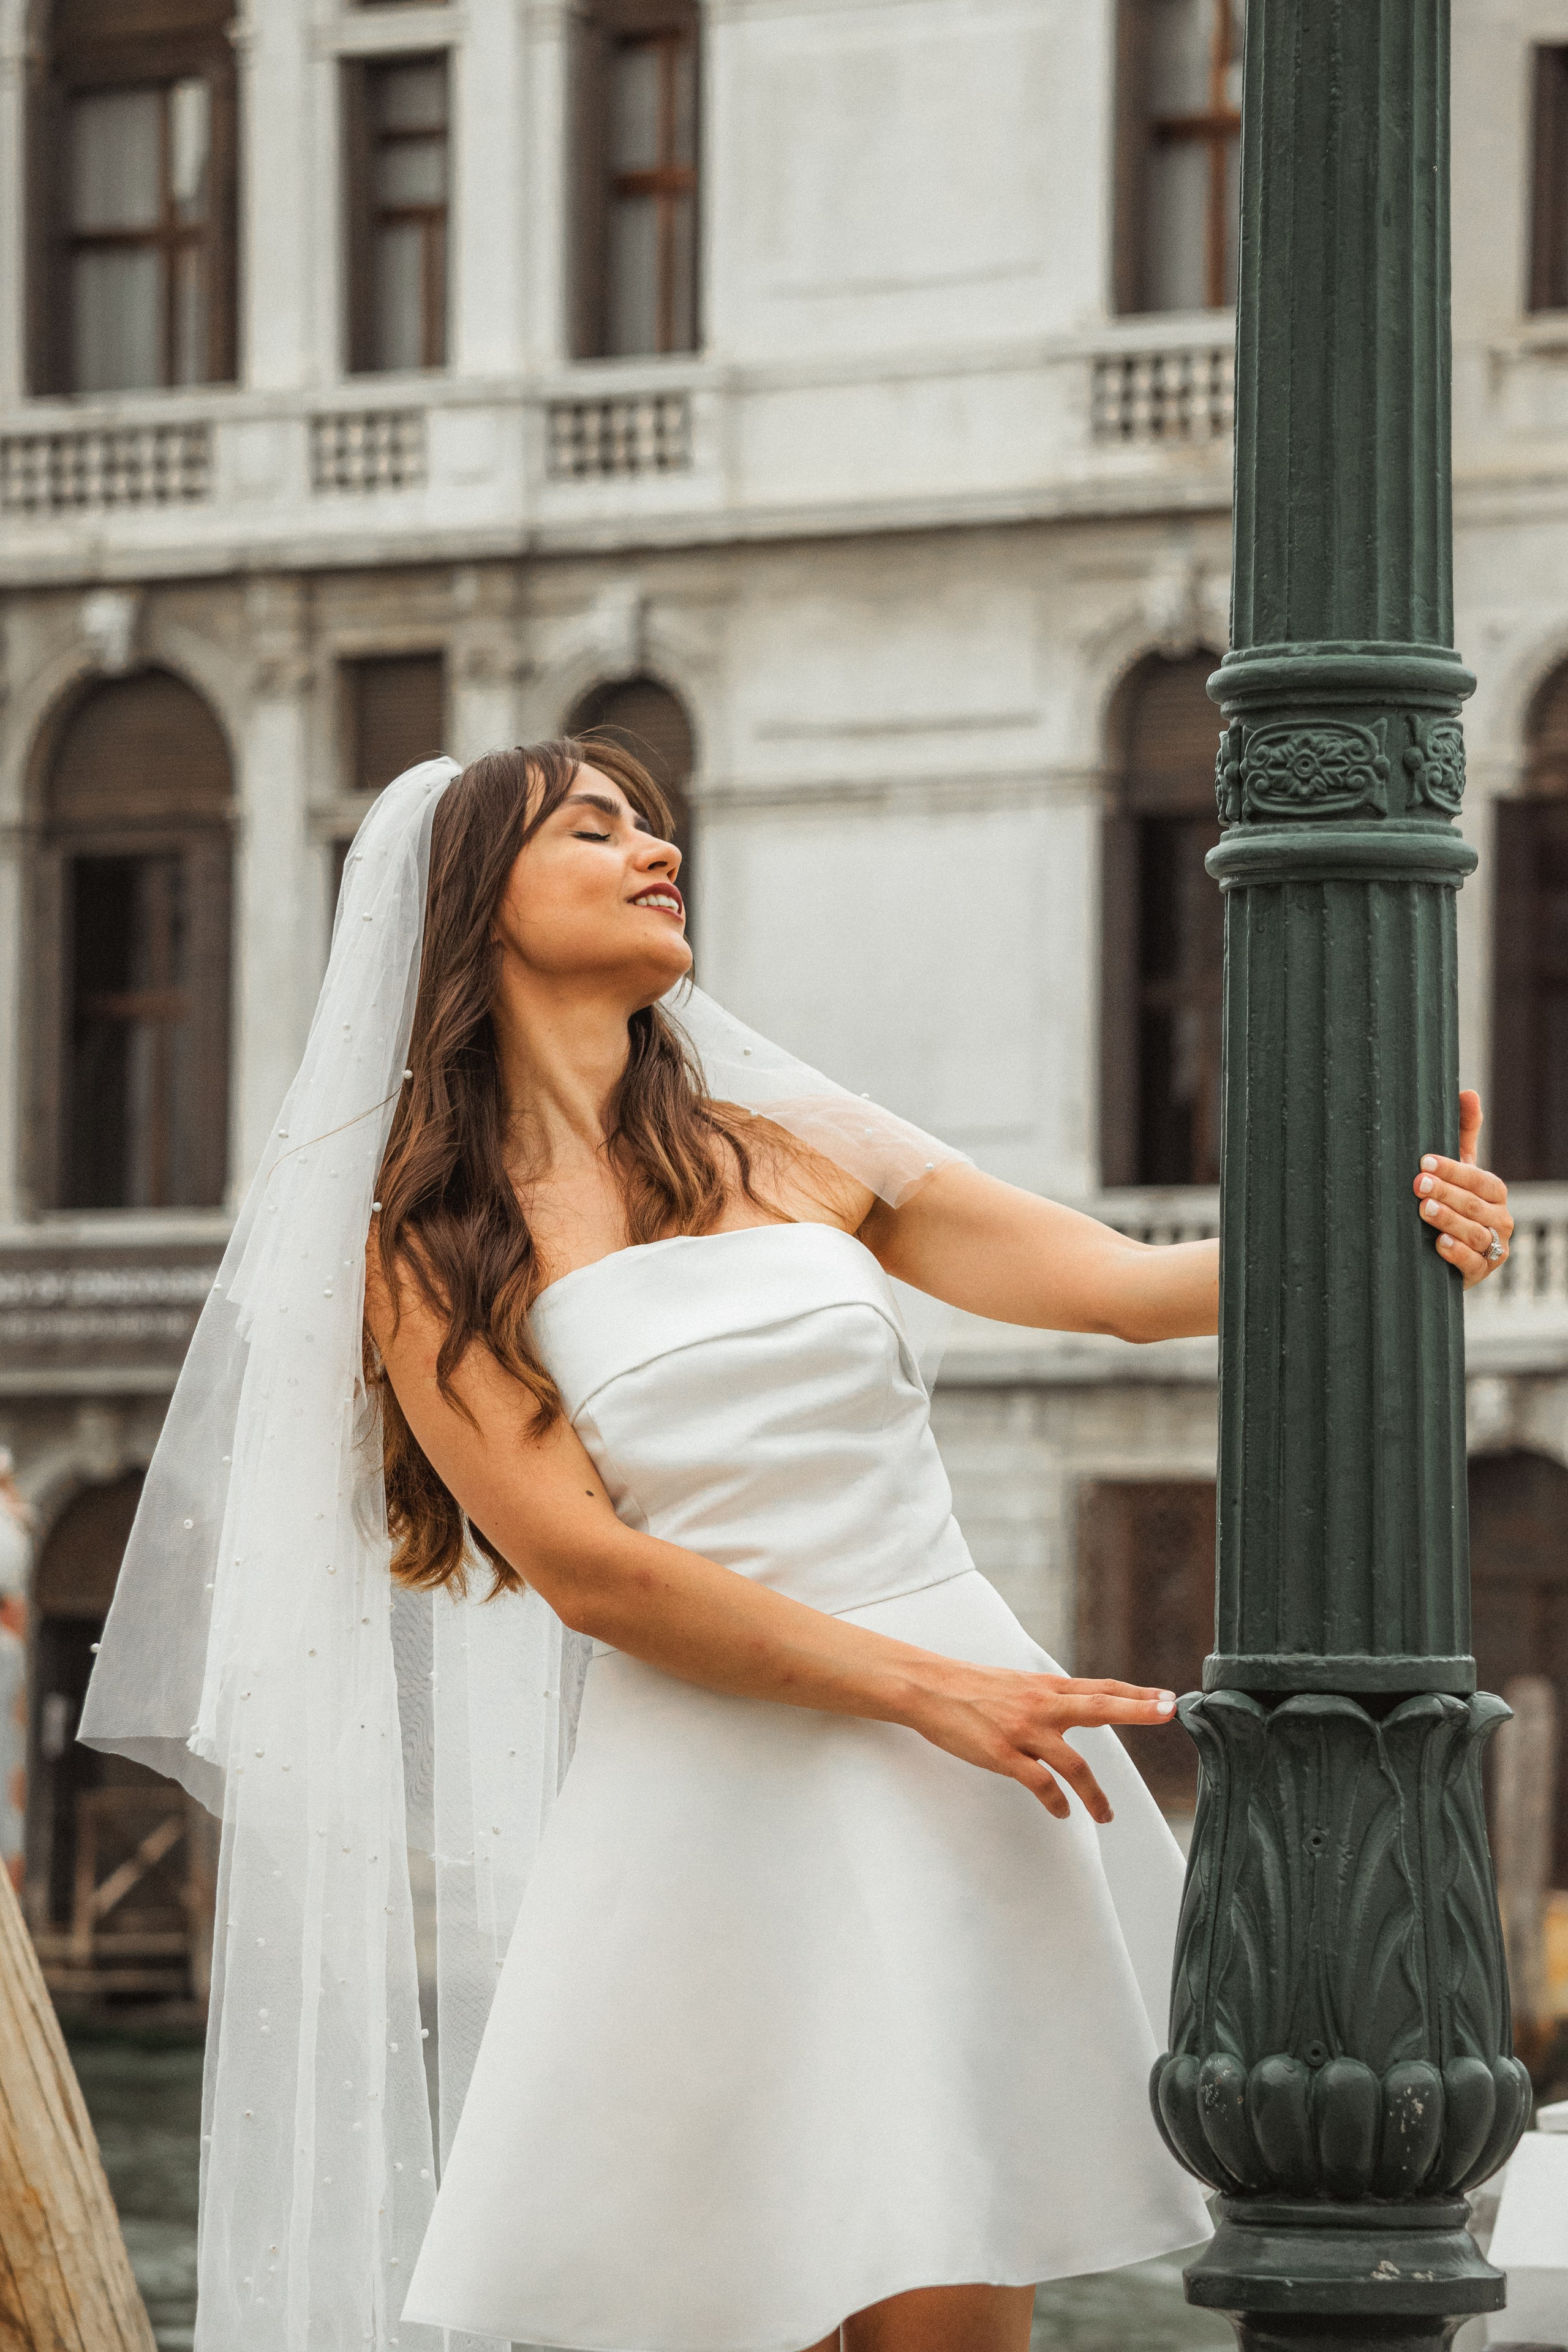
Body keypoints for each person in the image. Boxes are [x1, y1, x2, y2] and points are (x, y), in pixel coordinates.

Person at [79, 743, 1514, 2352]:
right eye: (596, 827)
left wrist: (1391, 1222)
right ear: (477, 904)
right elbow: (592, 1575)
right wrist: (924, 1692)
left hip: (961, 1772)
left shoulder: (797, 1144)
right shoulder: (428, 1250)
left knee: (948, 2320)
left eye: (658, 823)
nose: (654, 848)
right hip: (718, 1795)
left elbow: (1118, 1286)